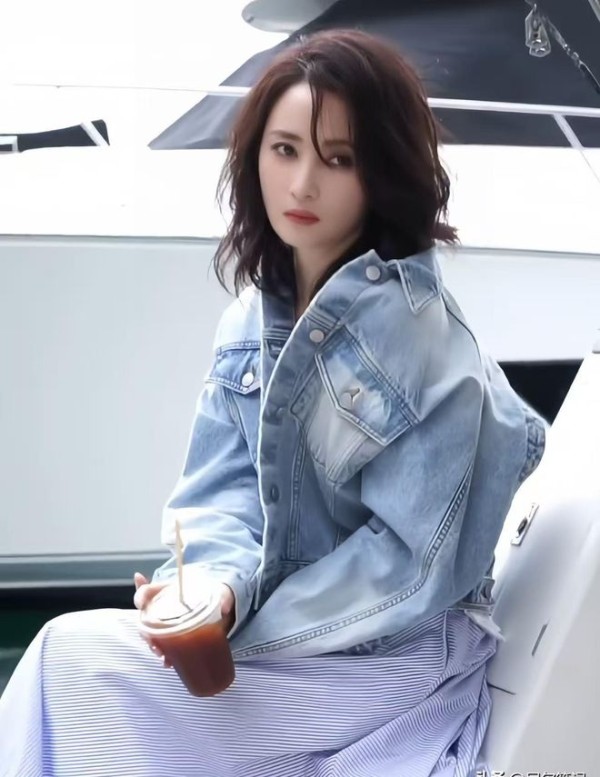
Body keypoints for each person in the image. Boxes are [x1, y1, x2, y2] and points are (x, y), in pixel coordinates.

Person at [0, 29, 546, 777]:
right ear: (253, 155)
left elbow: (407, 567)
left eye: (338, 159)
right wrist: (209, 592)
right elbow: (222, 492)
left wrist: (246, 626)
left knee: (75, 665)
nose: (302, 185)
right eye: (284, 150)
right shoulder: (248, 321)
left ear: (383, 170)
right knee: (67, 663)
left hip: (395, 656)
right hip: (285, 639)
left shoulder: (426, 341)